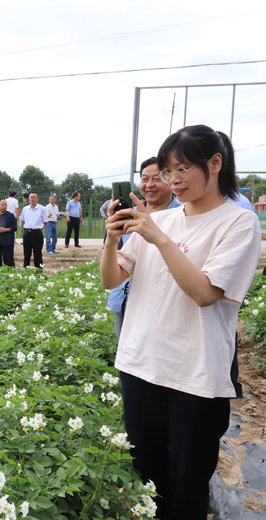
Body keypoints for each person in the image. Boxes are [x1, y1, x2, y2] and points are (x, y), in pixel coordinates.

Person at [100, 124, 261, 519]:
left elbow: (206, 293)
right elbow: (112, 279)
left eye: (182, 169)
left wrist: (160, 238)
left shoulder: (238, 223)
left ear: (216, 163)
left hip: (194, 376)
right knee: (148, 479)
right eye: (168, 171)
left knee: (187, 486)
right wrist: (110, 240)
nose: (173, 180)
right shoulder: (160, 222)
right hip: (140, 365)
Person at [106, 157, 181, 340]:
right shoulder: (128, 214)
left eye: (157, 178)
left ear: (170, 180)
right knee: (126, 353)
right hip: (123, 297)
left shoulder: (182, 216)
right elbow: (116, 259)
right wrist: (110, 240)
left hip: (162, 304)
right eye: (145, 179)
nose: (149, 185)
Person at [19, 193, 47, 269]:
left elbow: (45, 222)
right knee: (26, 253)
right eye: (31, 197)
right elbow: (23, 220)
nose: (32, 199)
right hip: (27, 233)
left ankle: (38, 271)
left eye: (34, 197)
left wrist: (39, 228)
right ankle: (26, 269)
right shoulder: (25, 209)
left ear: (37, 199)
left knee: (37, 253)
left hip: (37, 233)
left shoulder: (42, 209)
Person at [0, 200, 18, 267]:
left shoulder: (11, 215)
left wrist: (5, 230)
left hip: (7, 241)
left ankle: (10, 273)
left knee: (9, 259)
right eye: (2, 205)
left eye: (5, 205)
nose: (4, 207)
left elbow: (14, 227)